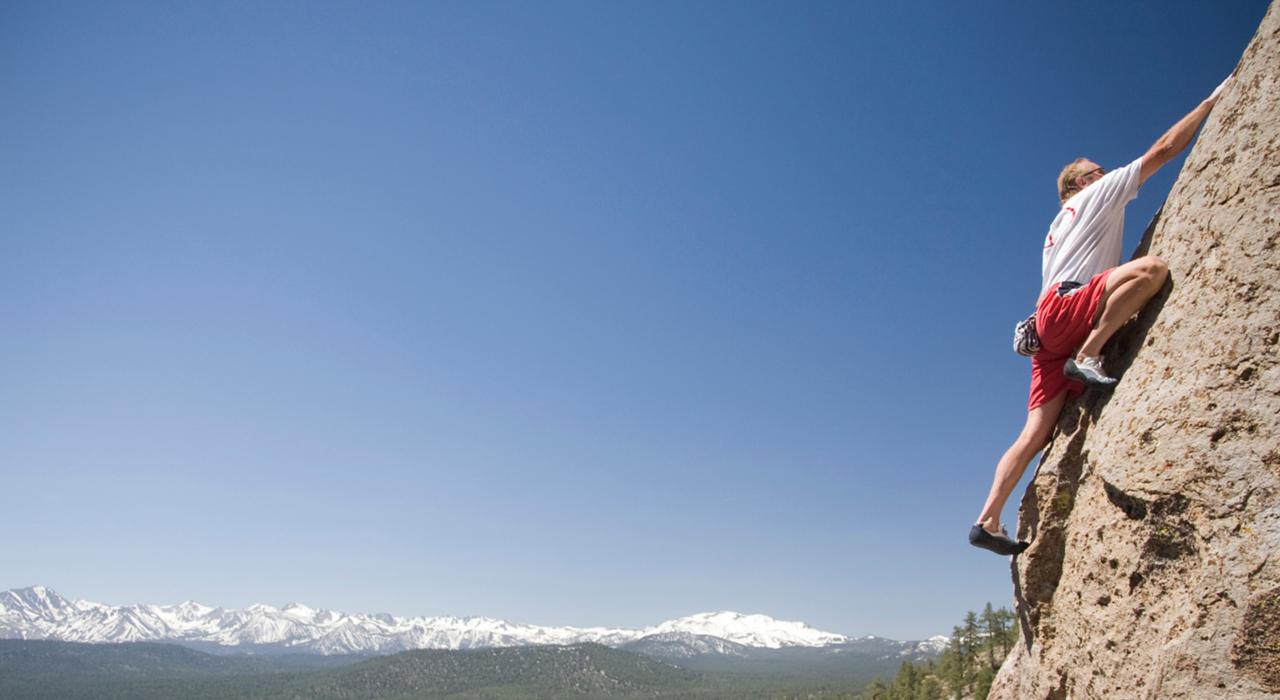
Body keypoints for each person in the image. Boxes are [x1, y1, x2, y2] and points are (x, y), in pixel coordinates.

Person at [970, 75, 1234, 556]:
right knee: (1152, 270)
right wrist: (1211, 102)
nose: (1107, 172)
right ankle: (1090, 354)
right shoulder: (1093, 197)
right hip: (1069, 314)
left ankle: (987, 518)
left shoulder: (1057, 225)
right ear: (1081, 183)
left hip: (1047, 326)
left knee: (1034, 432)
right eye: (1099, 170)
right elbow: (1163, 149)